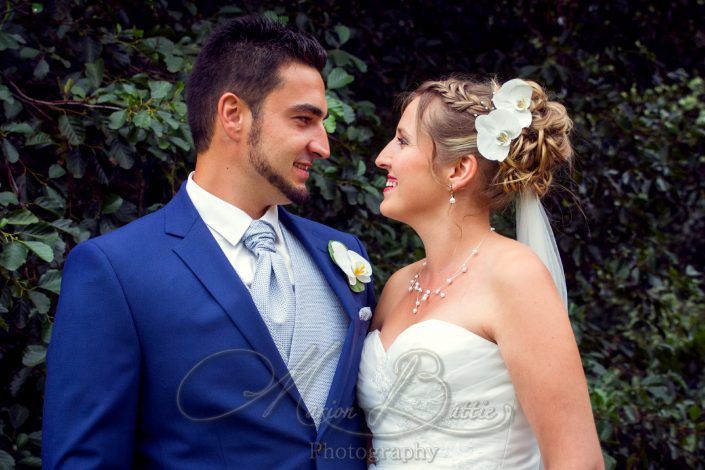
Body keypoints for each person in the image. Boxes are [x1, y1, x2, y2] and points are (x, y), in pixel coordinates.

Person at [43, 16, 375, 469]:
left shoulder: (344, 256)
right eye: (303, 120)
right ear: (233, 115)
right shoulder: (115, 271)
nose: (323, 146)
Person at [357, 76, 604, 469]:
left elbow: (579, 461)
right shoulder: (399, 285)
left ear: (458, 169)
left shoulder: (514, 276)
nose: (382, 157)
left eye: (402, 141)